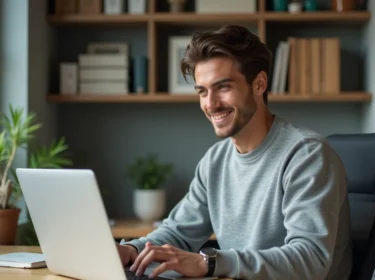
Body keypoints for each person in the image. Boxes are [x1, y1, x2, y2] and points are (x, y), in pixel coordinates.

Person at [117, 24, 353, 279]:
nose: (211, 104)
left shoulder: (306, 155)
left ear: (259, 84)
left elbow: (310, 259)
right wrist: (132, 250)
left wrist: (209, 262)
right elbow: (178, 233)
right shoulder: (215, 161)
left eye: (223, 87)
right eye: (202, 91)